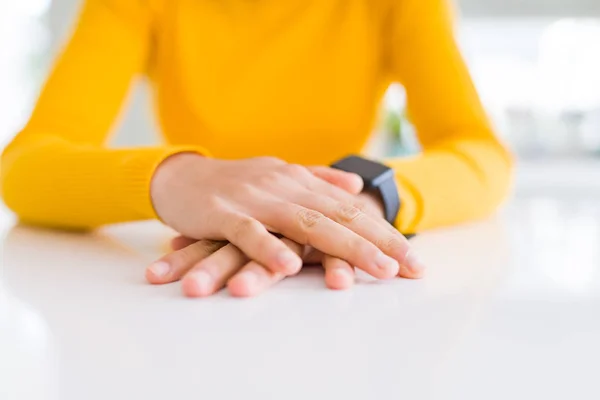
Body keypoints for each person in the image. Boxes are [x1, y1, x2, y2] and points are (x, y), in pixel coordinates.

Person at [0, 0, 513, 298]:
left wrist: (359, 204)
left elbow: (480, 151)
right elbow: (25, 165)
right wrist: (177, 179)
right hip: (194, 293)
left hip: (339, 280)